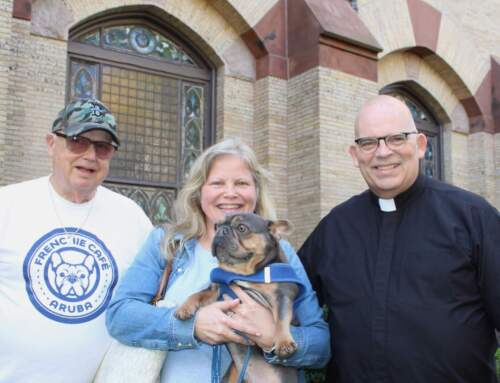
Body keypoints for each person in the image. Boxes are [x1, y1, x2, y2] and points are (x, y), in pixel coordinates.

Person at [299, 94, 500, 383]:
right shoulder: (334, 228)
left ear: (419, 145)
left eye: (396, 138)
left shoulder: (472, 217)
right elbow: (287, 295)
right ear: (355, 155)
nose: (382, 152)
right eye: (369, 143)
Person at [106, 138, 330, 382]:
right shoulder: (168, 243)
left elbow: (320, 345)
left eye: (242, 183)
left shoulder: (280, 253)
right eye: (217, 183)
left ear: (256, 191)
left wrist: (270, 336)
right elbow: (120, 317)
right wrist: (192, 326)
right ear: (199, 191)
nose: (230, 193)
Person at [0, 98, 153, 383]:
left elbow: (152, 297)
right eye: (77, 141)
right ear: (51, 143)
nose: (90, 156)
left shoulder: (133, 218)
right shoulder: (7, 205)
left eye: (103, 147)